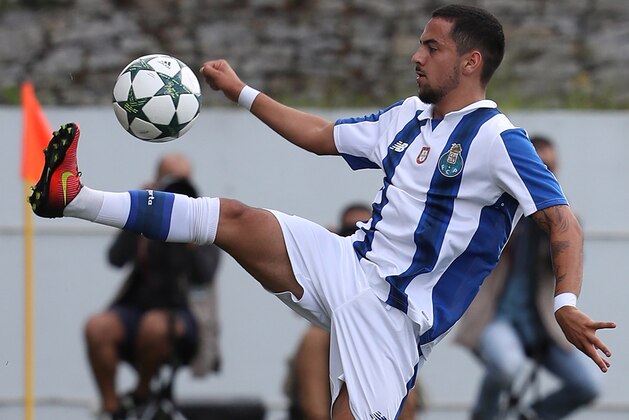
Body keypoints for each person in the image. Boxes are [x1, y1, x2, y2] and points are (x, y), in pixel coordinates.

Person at [28, 4, 615, 419]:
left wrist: (565, 301)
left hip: (395, 316)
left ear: (470, 62)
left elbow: (562, 221)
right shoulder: (408, 116)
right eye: (420, 42)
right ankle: (72, 197)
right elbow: (319, 134)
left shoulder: (497, 138)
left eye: (431, 47)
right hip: (347, 260)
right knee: (233, 218)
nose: (416, 55)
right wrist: (241, 92)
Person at [455, 136, 602, 419]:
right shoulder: (495, 209)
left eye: (551, 167)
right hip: (495, 319)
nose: (546, 173)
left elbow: (568, 262)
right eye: (541, 166)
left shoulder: (563, 218)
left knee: (589, 385)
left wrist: (554, 221)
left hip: (542, 325)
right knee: (508, 366)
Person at [83, 153, 222, 420]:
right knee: (97, 327)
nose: (177, 189)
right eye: (171, 181)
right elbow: (115, 259)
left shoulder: (202, 219)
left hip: (183, 316)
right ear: (157, 182)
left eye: (183, 182)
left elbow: (205, 274)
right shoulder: (147, 215)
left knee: (154, 326)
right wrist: (137, 214)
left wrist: (192, 237)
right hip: (136, 308)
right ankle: (113, 409)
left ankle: (141, 394)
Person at [285, 203, 425, 420]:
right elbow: (315, 412)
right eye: (351, 232)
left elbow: (408, 409)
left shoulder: (396, 322)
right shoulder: (320, 334)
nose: (360, 239)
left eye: (370, 232)